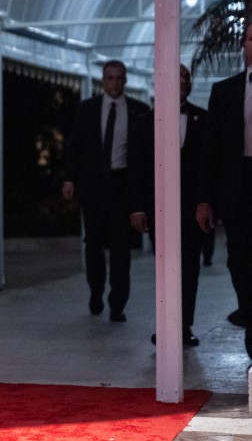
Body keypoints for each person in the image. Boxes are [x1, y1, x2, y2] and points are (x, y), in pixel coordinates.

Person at [63, 60, 150, 322]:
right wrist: (69, 179)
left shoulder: (139, 111)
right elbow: (75, 146)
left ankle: (117, 303)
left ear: (125, 80)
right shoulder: (87, 110)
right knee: (93, 244)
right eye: (109, 78)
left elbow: (145, 156)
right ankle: (96, 291)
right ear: (103, 81)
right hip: (94, 186)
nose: (114, 83)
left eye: (119, 78)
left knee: (121, 248)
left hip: (123, 185)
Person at [128, 65, 204, 347]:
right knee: (164, 268)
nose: (183, 81)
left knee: (190, 268)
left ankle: (184, 327)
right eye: (178, 75)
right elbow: (136, 169)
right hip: (157, 208)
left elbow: (209, 168)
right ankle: (165, 325)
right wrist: (137, 208)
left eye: (187, 77)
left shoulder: (203, 119)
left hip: (192, 209)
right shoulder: (144, 122)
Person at [197, 23, 252, 359]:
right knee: (238, 260)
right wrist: (204, 199)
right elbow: (210, 151)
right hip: (239, 186)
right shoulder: (225, 91)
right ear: (243, 45)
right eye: (251, 38)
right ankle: (249, 310)